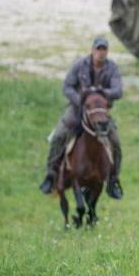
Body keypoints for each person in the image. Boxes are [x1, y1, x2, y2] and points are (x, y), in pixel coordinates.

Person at [39, 36, 125, 198]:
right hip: (78, 108)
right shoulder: (80, 65)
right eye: (98, 49)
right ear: (92, 50)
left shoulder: (112, 68)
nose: (101, 52)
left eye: (103, 49)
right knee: (58, 135)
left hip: (98, 111)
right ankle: (51, 175)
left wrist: (101, 95)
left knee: (115, 142)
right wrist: (81, 100)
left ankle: (113, 180)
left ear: (107, 51)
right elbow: (67, 86)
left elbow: (118, 90)